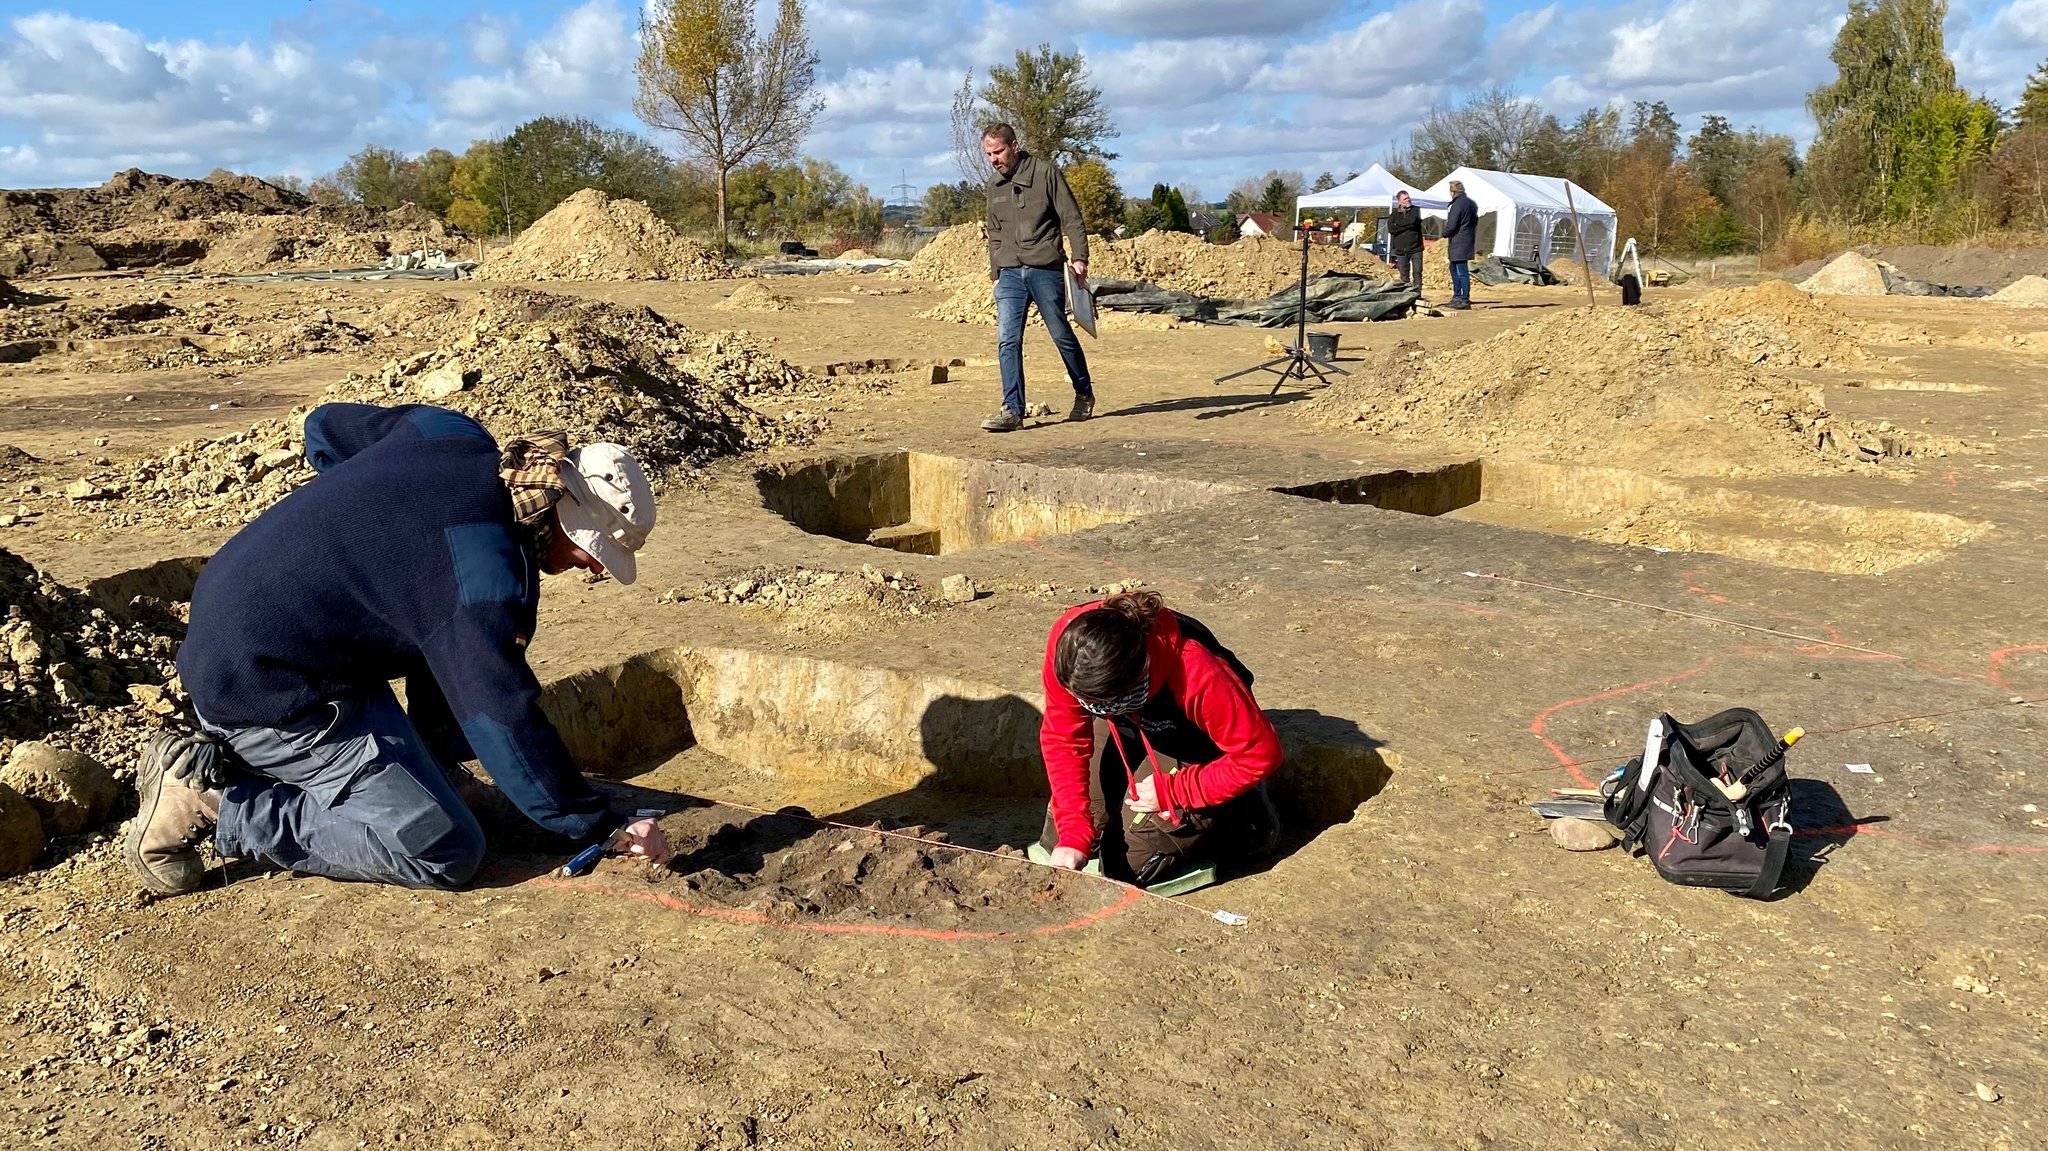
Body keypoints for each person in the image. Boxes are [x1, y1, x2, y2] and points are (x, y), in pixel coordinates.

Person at [124, 402, 671, 895]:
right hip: (273, 688)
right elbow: (501, 714)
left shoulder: (446, 432)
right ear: (557, 514)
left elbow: (324, 428)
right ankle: (223, 806)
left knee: (432, 629)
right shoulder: (481, 577)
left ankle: (419, 768)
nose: (595, 568)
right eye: (592, 551)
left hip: (247, 625)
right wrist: (598, 825)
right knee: (447, 849)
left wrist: (369, 531)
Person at [1033, 591, 1283, 892]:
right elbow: (1063, 737)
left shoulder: (1196, 670)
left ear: (1139, 673)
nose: (1088, 710)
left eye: (1101, 703)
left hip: (1192, 737)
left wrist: (1176, 790)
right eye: (1086, 703)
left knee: (1122, 868)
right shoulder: (1072, 647)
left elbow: (1261, 754)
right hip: (1128, 725)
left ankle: (1242, 815)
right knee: (1058, 845)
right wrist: (1073, 831)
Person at [981, 123, 1096, 433]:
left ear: (1014, 146)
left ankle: (1084, 394)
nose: (994, 159)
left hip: (1045, 269)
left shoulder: (1045, 173)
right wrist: (995, 273)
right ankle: (1012, 411)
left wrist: (1080, 258)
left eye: (999, 152)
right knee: (1008, 340)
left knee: (1060, 334)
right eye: (989, 154)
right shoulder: (994, 187)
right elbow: (994, 233)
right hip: (1008, 274)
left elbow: (1072, 219)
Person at [1441, 179, 1477, 309]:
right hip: (1467, 240)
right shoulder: (1471, 204)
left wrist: (1444, 233)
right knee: (1456, 269)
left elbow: (1452, 225)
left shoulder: (1457, 205)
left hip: (1458, 242)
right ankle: (1459, 297)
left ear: (1453, 191)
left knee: (1460, 271)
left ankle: (1462, 298)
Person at [1387, 190, 1423, 289]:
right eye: (1405, 198)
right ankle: (1406, 295)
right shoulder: (1394, 214)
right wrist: (1407, 225)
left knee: (1417, 273)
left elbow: (1412, 221)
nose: (1408, 200)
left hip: (1416, 248)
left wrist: (1398, 224)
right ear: (1399, 201)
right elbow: (1391, 229)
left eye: (1408, 197)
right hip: (1401, 249)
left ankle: (1417, 294)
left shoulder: (1415, 210)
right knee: (1403, 275)